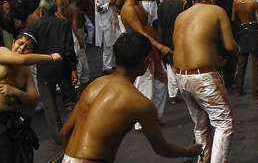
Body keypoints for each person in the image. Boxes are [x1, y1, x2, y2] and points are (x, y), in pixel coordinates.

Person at [60, 32, 202, 162]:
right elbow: (161, 148)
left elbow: (65, 133)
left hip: (68, 158)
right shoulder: (139, 102)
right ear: (146, 62)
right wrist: (189, 151)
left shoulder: (94, 85)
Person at [173, 0, 237, 163]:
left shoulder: (181, 16)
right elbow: (230, 46)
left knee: (201, 125)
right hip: (203, 78)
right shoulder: (217, 11)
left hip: (181, 77)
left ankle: (202, 160)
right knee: (224, 123)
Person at [0, 32, 61, 162]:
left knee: (23, 155)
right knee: (4, 156)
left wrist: (16, 91)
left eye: (27, 47)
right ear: (13, 42)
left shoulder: (25, 71)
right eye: (20, 43)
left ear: (32, 52)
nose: (22, 48)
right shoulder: (0, 52)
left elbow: (34, 98)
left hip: (12, 117)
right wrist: (51, 57)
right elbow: (23, 59)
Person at [25, 0, 77, 144]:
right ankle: (76, 128)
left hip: (44, 68)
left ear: (41, 10)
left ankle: (59, 135)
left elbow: (28, 46)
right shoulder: (63, 23)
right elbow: (69, 48)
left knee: (50, 105)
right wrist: (73, 68)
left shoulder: (35, 25)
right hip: (63, 67)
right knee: (70, 99)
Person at [120, 0, 171, 124]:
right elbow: (141, 33)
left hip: (149, 50)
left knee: (160, 83)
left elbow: (147, 28)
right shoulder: (129, 9)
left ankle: (153, 118)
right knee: (145, 86)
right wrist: (160, 46)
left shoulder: (138, 4)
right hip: (140, 51)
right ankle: (142, 121)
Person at [232, 0, 258, 100]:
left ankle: (239, 89)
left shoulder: (235, 1)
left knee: (242, 62)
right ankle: (256, 92)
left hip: (242, 31)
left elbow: (233, 18)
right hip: (254, 31)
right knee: (256, 62)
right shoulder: (252, 3)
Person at [157, 0, 183, 101]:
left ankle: (173, 94)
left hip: (166, 38)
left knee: (170, 66)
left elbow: (160, 26)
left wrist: (160, 42)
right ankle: (180, 91)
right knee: (178, 65)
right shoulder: (181, 5)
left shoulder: (162, 6)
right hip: (179, 37)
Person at [94, 0, 119, 73]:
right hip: (104, 21)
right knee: (108, 45)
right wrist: (109, 4)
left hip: (112, 19)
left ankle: (112, 64)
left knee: (113, 43)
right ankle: (106, 66)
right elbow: (98, 8)